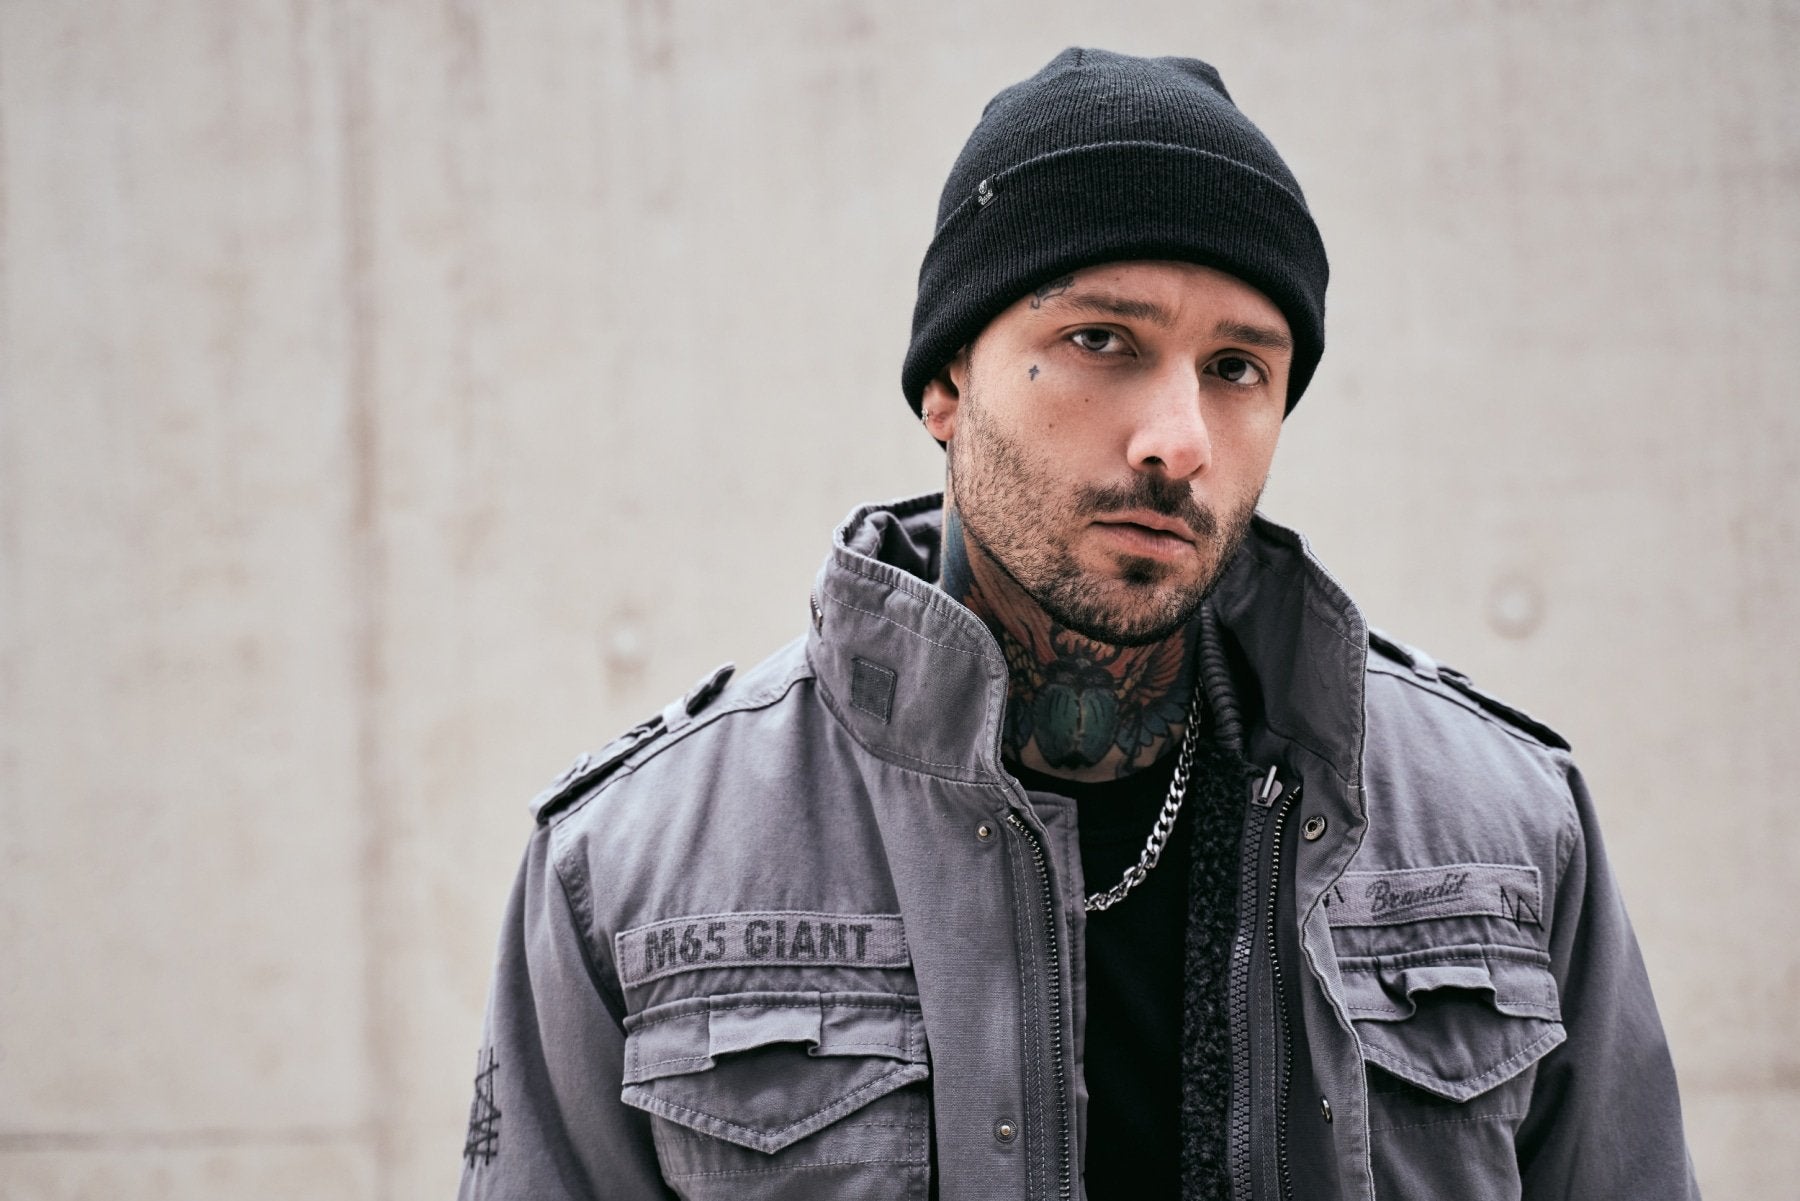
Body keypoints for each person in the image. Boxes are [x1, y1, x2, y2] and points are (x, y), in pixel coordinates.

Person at [458, 48, 1699, 1201]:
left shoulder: (1508, 828)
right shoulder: (630, 867)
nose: (1178, 439)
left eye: (1238, 367)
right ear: (947, 384)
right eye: (1100, 340)